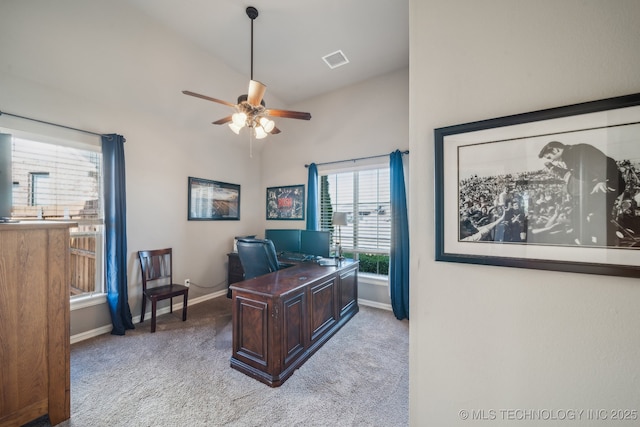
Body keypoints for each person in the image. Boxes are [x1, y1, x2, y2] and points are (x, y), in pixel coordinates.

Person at [538, 141, 624, 246]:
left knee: (597, 215)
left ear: (556, 150)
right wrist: (553, 168)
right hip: (598, 187)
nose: (552, 160)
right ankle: (588, 242)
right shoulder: (569, 157)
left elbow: (609, 162)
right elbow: (578, 176)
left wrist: (603, 180)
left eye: (550, 157)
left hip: (610, 183)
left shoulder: (579, 151)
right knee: (578, 214)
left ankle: (608, 242)